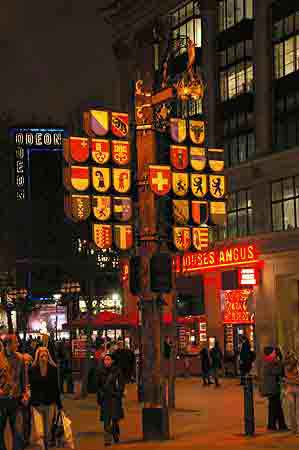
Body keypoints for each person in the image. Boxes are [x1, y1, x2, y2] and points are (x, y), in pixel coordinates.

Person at [29, 346, 62, 449]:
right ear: (37, 356)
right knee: (39, 432)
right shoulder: (33, 369)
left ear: (48, 356)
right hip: (37, 404)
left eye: (46, 355)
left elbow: (56, 387)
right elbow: (31, 386)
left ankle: (46, 446)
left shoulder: (53, 369)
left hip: (49, 402)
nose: (44, 357)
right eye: (41, 355)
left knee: (48, 430)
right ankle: (42, 446)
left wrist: (59, 404)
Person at [0, 334, 26, 450]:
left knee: (18, 431)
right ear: (8, 344)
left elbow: (24, 379)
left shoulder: (20, 358)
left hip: (16, 399)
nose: (18, 345)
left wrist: (26, 393)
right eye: (16, 343)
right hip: (1, 400)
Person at [97, 354, 125, 446]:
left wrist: (118, 394)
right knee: (106, 421)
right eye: (105, 360)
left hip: (114, 398)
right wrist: (100, 396)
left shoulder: (117, 371)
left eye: (108, 359)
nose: (107, 361)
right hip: (105, 398)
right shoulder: (100, 371)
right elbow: (98, 385)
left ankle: (115, 432)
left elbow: (121, 384)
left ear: (112, 361)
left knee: (115, 419)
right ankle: (107, 440)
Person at [261, 346, 288, 431]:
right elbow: (278, 371)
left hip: (271, 387)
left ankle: (276, 424)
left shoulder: (268, 360)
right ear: (270, 353)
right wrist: (280, 362)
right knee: (275, 406)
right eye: (273, 352)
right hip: (272, 388)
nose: (274, 353)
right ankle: (276, 425)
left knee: (275, 406)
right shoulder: (270, 361)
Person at [283, 352, 299, 434]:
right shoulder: (286, 367)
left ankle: (295, 428)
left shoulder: (295, 366)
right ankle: (294, 428)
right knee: (292, 408)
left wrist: (289, 380)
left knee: (294, 408)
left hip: (293, 388)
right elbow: (287, 378)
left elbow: (287, 379)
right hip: (291, 388)